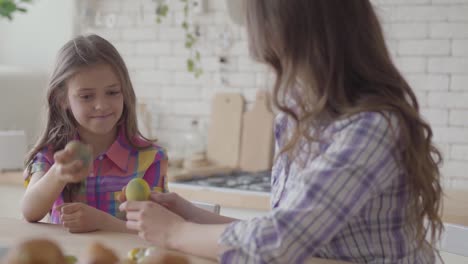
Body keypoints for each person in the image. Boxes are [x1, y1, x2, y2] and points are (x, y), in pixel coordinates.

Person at [119, 0, 443, 263]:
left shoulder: (373, 127)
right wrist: (188, 217)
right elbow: (288, 235)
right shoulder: (296, 112)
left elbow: (279, 243)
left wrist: (176, 232)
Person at [21, 34, 168, 233]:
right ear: (61, 99)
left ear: (124, 92)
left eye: (112, 92)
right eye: (87, 96)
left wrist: (104, 224)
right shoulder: (52, 155)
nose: (101, 105)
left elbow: (161, 230)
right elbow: (30, 211)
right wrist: (59, 172)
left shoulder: (150, 158)